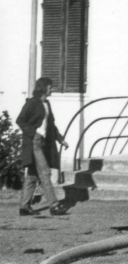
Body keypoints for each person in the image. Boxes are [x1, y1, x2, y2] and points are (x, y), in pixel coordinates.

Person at [16, 77, 69, 216]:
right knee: (45, 172)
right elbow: (20, 120)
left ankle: (24, 207)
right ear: (43, 88)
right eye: (50, 87)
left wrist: (60, 139)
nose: (52, 89)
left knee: (32, 175)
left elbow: (51, 125)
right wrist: (33, 133)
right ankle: (54, 206)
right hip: (34, 142)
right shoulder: (32, 103)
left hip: (43, 143)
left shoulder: (47, 103)